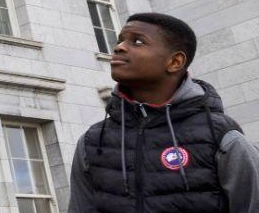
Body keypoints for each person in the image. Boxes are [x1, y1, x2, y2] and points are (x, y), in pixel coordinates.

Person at [70, 12, 259, 212]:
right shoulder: (92, 141)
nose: (119, 47)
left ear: (175, 62)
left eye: (137, 41)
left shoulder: (222, 138)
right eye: (120, 41)